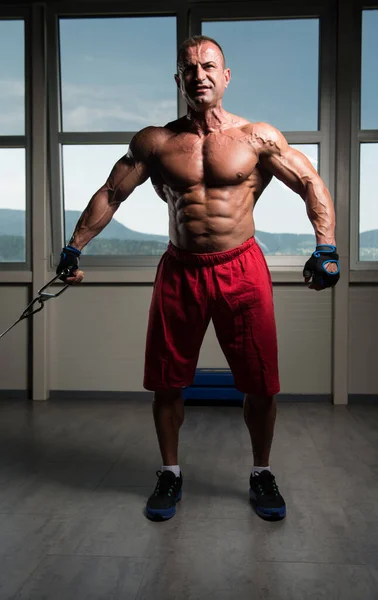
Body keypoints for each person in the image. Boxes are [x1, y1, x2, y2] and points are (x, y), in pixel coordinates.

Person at [56, 35, 340, 522]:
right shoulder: (157, 142)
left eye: (209, 66)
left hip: (242, 267)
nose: (200, 75)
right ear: (179, 80)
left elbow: (310, 181)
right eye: (189, 69)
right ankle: (170, 471)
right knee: (166, 382)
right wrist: (73, 245)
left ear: (226, 76)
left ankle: (261, 471)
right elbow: (111, 192)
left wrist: (327, 247)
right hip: (181, 270)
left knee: (261, 383)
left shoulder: (257, 137)